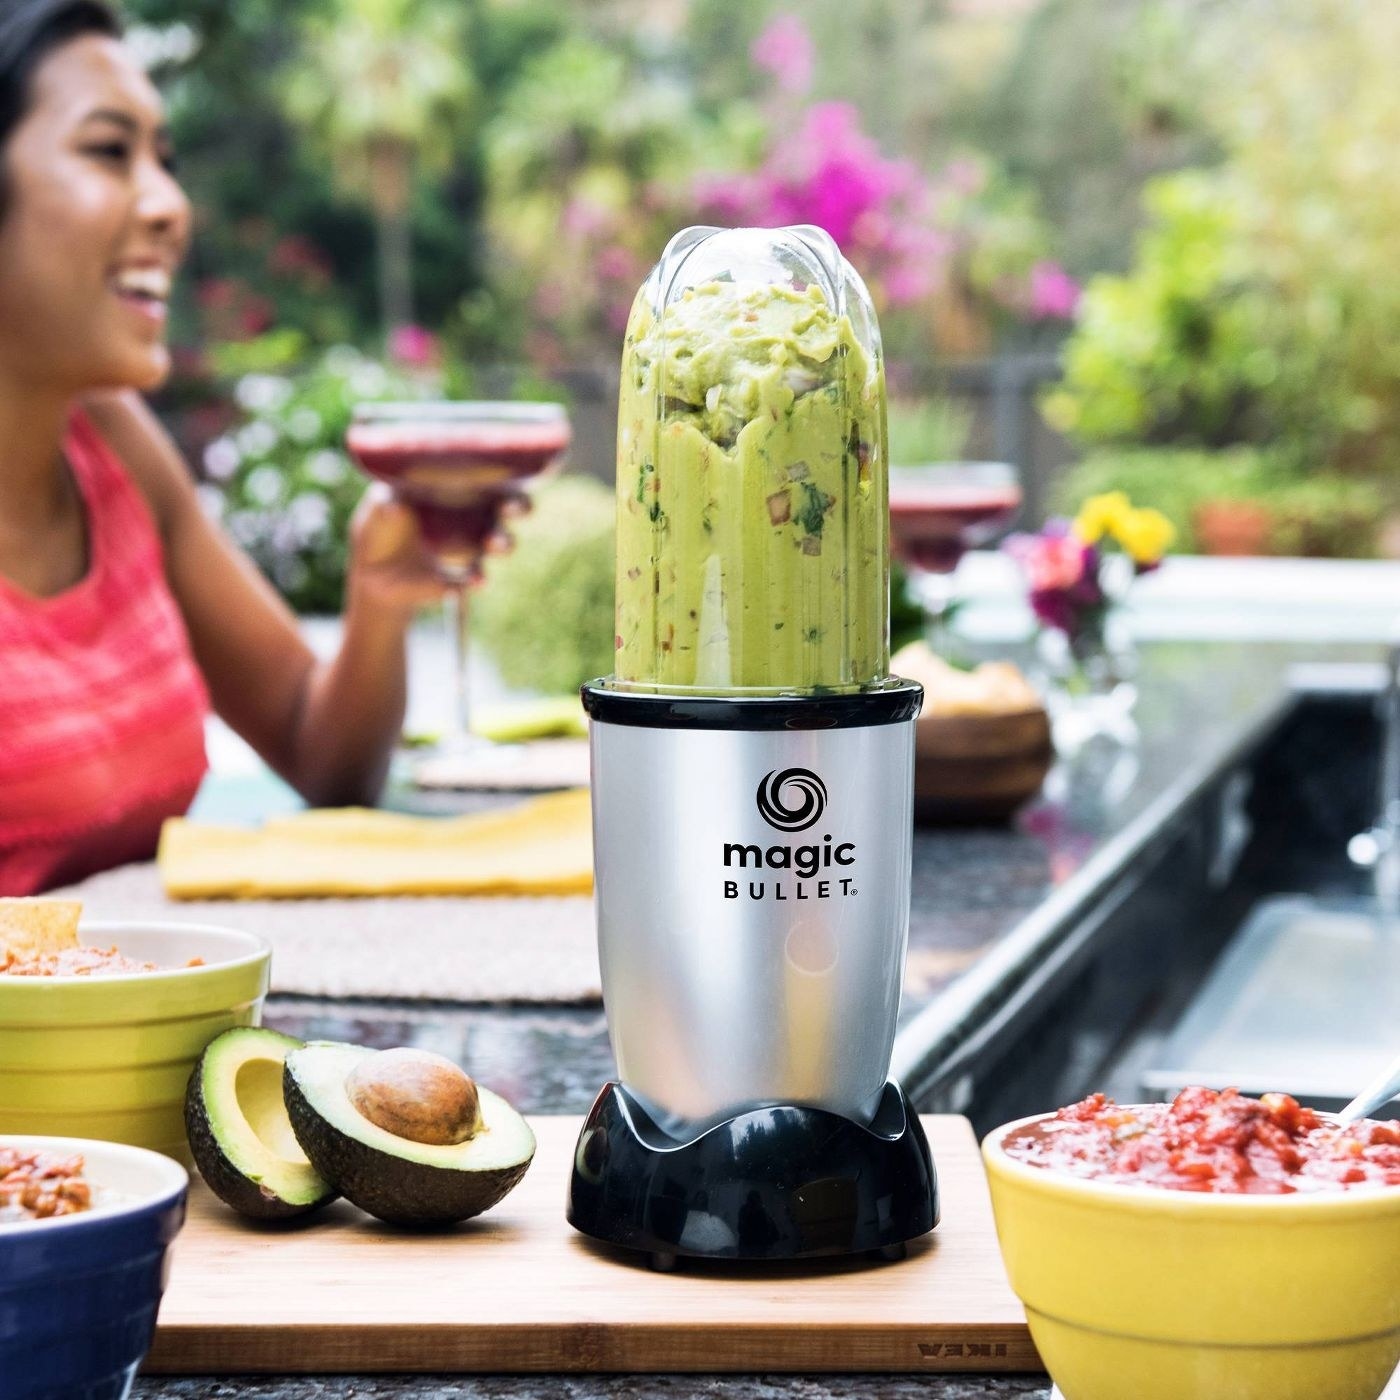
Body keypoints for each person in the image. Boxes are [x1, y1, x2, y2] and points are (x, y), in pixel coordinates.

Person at [0, 0, 450, 894]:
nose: (171, 205)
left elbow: (320, 754)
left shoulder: (115, 445)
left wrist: (381, 596)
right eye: (107, 150)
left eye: (164, 160)